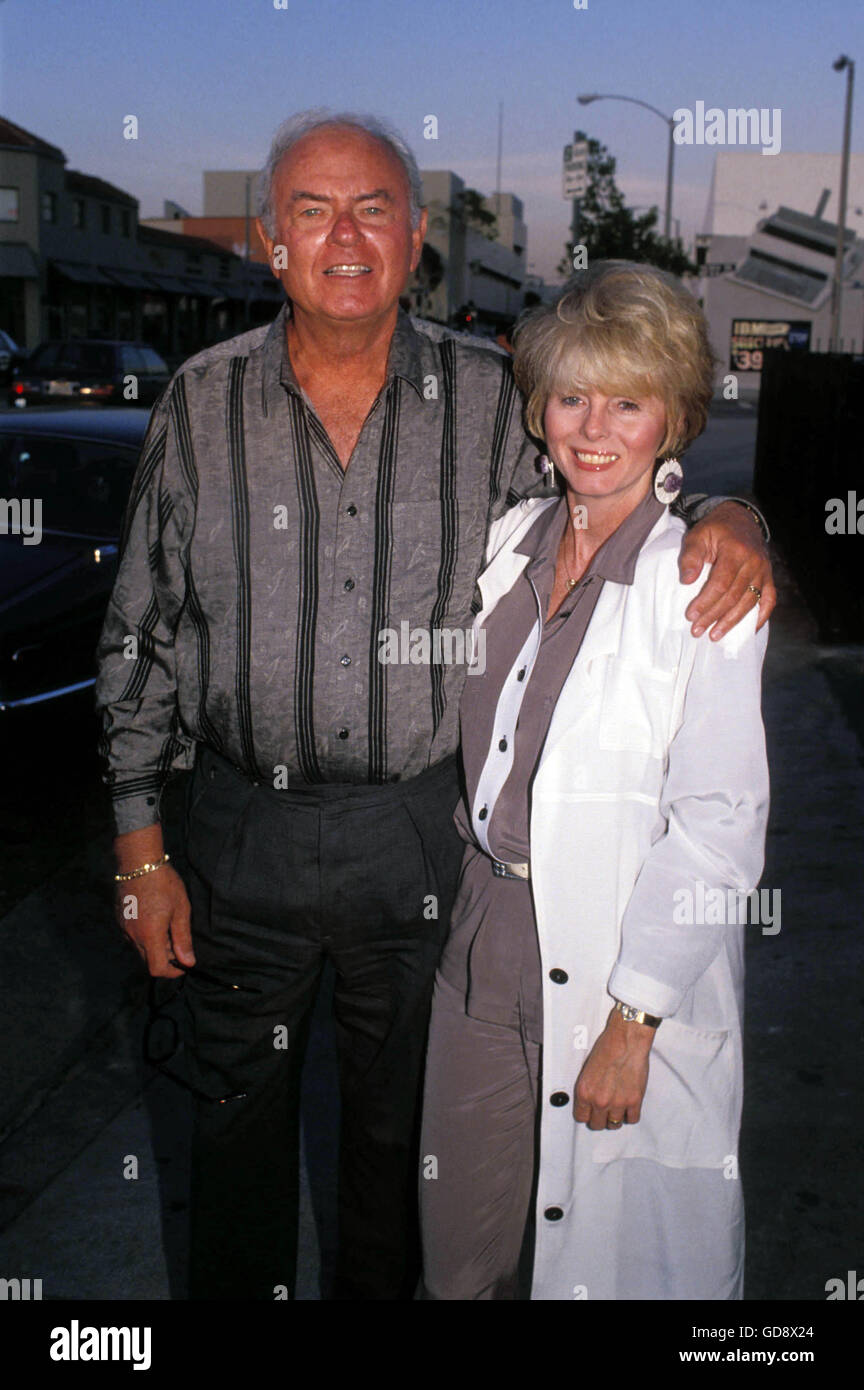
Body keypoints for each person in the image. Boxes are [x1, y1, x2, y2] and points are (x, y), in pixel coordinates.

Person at [95, 110, 774, 1302]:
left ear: (416, 240)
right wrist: (138, 854)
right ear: (270, 240)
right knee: (234, 1138)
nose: (344, 234)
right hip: (239, 839)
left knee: (396, 1161)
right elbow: (140, 633)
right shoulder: (200, 404)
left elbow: (614, 468)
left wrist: (730, 518)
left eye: (373, 210)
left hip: (422, 847)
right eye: (313, 210)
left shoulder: (490, 399)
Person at [419, 261, 770, 1301]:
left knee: (624, 1269)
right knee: (458, 1247)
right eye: (571, 395)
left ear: (674, 417)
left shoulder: (701, 580)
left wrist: (635, 1020)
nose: (594, 426)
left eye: (628, 400)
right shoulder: (504, 545)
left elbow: (720, 822)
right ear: (539, 407)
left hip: (624, 952)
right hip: (483, 936)